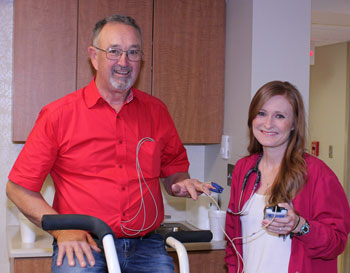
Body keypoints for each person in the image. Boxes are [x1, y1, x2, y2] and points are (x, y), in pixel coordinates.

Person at [6, 14, 212, 273]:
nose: (124, 62)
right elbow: (18, 188)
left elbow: (174, 172)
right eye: (114, 51)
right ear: (94, 56)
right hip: (84, 245)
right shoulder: (59, 115)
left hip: (145, 246)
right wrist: (62, 230)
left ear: (141, 59)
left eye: (133, 52)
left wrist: (180, 184)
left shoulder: (157, 112)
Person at [225, 81, 350, 273]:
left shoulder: (316, 173)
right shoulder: (244, 169)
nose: (268, 124)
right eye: (261, 113)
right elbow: (233, 240)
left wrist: (299, 225)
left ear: (293, 124)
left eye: (279, 116)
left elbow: (336, 242)